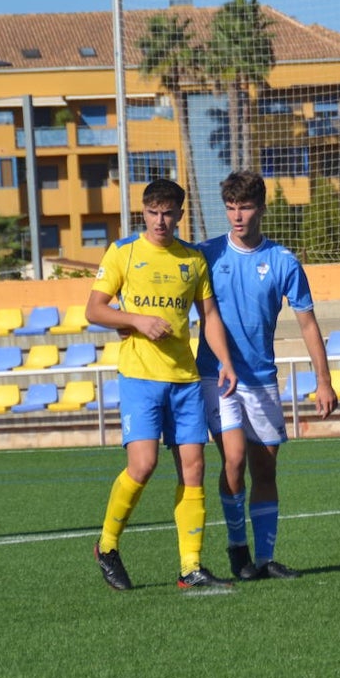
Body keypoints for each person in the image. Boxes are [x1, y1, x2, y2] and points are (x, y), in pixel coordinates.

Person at [87, 178, 238, 591]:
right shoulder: (123, 252)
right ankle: (107, 544)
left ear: (179, 215)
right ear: (143, 213)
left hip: (184, 379)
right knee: (143, 465)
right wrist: (136, 320)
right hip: (139, 377)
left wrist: (224, 361)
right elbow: (95, 309)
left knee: (194, 469)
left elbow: (210, 317)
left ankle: (190, 568)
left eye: (168, 213)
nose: (160, 220)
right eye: (153, 212)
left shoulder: (192, 260)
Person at [197, 170, 338, 581]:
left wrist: (323, 380)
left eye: (244, 207)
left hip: (262, 379)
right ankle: (237, 549)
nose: (237, 216)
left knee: (266, 470)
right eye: (230, 207)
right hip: (217, 376)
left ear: (261, 208)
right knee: (234, 460)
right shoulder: (206, 254)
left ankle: (264, 559)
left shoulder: (283, 261)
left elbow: (309, 324)